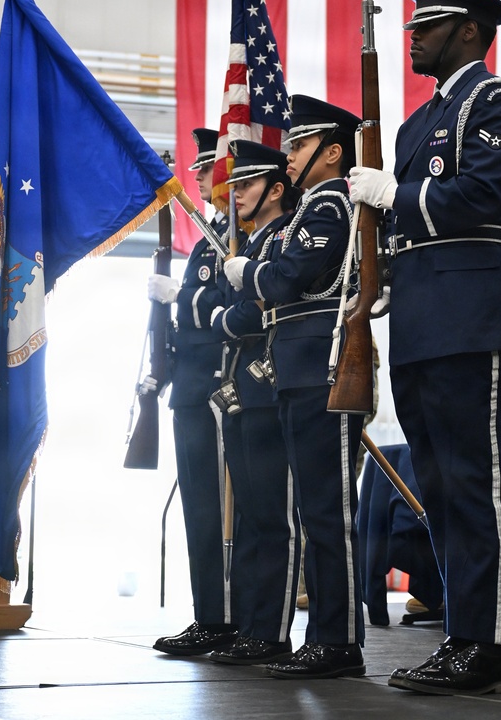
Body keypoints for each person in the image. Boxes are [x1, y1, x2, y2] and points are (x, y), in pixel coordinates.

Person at [349, 0, 501, 697]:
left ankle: (487, 649)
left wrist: (397, 197)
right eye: (412, 25)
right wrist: (385, 272)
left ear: (468, 31)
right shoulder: (413, 124)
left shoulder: (495, 100)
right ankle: (462, 636)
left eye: (427, 25)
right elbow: (400, 223)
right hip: (423, 315)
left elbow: (489, 196)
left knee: (473, 482)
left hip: (473, 307)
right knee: (439, 486)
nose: (412, 35)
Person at [224, 95, 366, 680]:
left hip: (322, 371)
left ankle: (339, 639)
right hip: (296, 370)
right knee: (313, 511)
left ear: (332, 152)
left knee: (329, 513)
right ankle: (324, 635)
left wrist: (249, 273)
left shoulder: (329, 207)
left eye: (301, 146)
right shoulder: (310, 209)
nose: (289, 157)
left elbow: (285, 280)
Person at [207, 140, 302, 665]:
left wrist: (231, 317)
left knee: (274, 516)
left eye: (246, 183)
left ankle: (272, 631)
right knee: (249, 514)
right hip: (243, 381)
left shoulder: (285, 237)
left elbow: (260, 306)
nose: (235, 192)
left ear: (277, 188)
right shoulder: (248, 243)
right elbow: (231, 305)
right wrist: (232, 314)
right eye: (234, 183)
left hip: (270, 379)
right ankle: (250, 623)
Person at [151, 128, 236, 658]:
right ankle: (211, 614)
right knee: (200, 511)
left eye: (207, 167)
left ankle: (229, 617)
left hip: (216, 386)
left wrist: (180, 300)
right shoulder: (212, 235)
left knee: (224, 511)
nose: (199, 177)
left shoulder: (233, 236)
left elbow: (226, 306)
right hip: (191, 384)